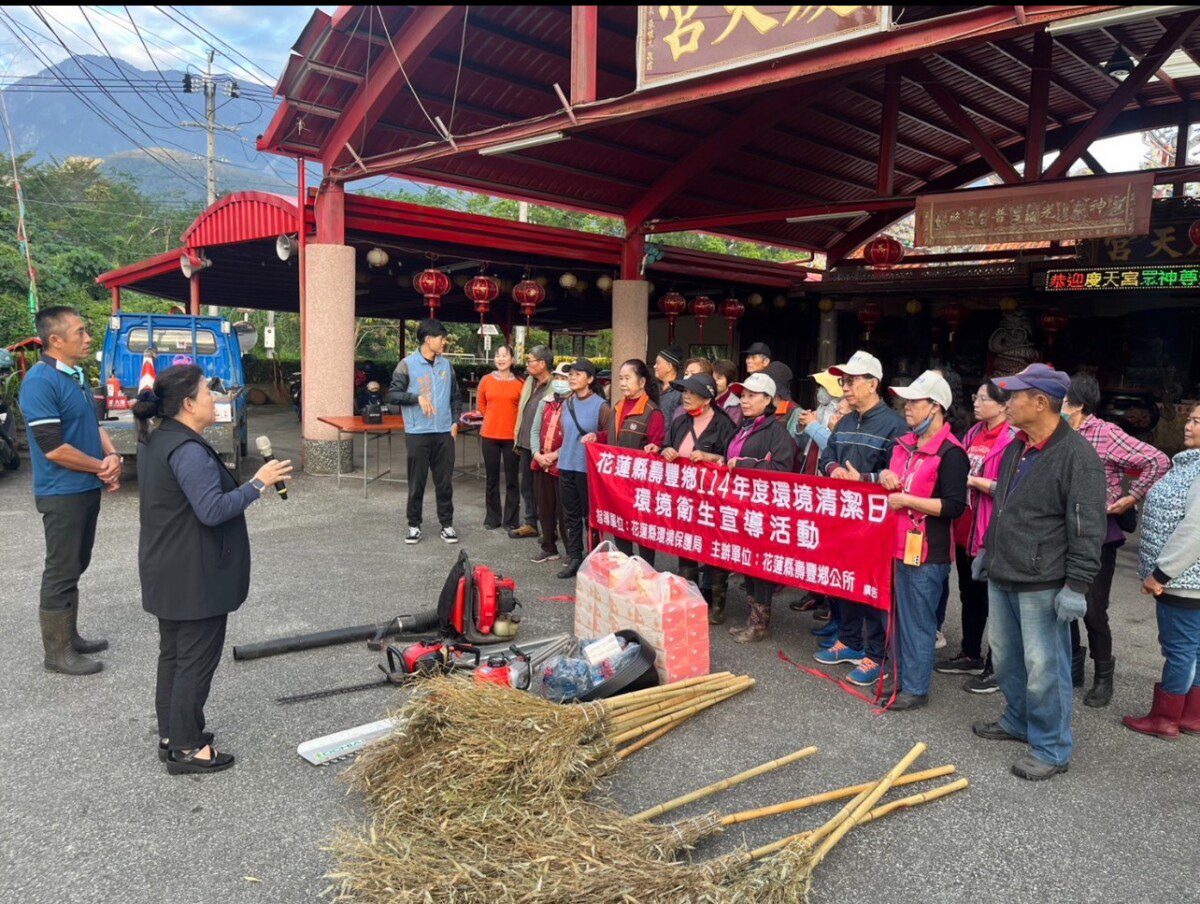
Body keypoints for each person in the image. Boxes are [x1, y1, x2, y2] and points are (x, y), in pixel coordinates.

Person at [133, 365, 292, 774]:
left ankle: (173, 734)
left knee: (174, 655)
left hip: (168, 568)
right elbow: (212, 510)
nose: (215, 398)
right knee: (193, 660)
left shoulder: (160, 438)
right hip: (193, 575)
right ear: (188, 404)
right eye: (207, 392)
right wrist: (258, 483)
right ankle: (187, 747)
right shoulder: (187, 449)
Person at [971, 363, 1105, 782]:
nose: (1006, 404)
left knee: (1045, 665)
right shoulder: (1018, 446)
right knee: (1007, 657)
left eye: (1013, 397)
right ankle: (1018, 719)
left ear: (1041, 402)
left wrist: (1077, 585)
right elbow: (1007, 506)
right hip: (1004, 572)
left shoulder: (1077, 457)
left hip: (1043, 581)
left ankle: (1051, 745)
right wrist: (988, 552)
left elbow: (1087, 527)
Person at [19, 306, 120, 676]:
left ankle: (70, 637)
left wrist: (110, 456)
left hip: (83, 487)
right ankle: (57, 653)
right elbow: (53, 448)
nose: (88, 337)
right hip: (61, 492)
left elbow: (91, 426)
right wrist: (100, 467)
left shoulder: (73, 375)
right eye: (80, 332)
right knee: (61, 570)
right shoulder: (40, 382)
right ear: (56, 340)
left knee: (76, 564)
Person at [1063, 373, 1170, 707]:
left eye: (1063, 401)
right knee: (1063, 606)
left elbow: (1157, 460)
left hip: (1098, 534)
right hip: (1063, 530)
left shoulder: (1105, 433)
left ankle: (1103, 677)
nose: (1058, 406)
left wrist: (1131, 497)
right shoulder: (1058, 432)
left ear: (1079, 404)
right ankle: (1073, 667)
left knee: (1094, 609)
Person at [813, 351, 906, 688]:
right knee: (844, 580)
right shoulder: (846, 421)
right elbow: (827, 458)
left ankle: (877, 655)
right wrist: (834, 469)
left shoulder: (895, 425)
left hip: (877, 525)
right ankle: (850, 641)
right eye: (844, 382)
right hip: (843, 519)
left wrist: (863, 479)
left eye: (851, 381)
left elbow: (897, 474)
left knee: (873, 586)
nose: (846, 388)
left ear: (873, 384)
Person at [878, 371, 969, 710]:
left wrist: (908, 501)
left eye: (914, 402)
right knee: (897, 617)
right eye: (907, 402)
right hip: (896, 543)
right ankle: (901, 679)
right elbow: (896, 481)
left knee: (918, 621)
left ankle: (915, 688)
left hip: (928, 551)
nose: (907, 408)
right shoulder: (905, 445)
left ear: (936, 407)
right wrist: (888, 476)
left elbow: (954, 505)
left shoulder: (951, 453)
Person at [1123, 403, 1200, 739]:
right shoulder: (1189, 464)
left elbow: (1195, 531)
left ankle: (1165, 718)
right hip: (1187, 579)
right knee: (1193, 649)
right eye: (1191, 418)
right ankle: (1191, 716)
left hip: (1184, 581)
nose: (1189, 425)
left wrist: (1162, 574)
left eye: (1198, 421)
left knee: (1180, 649)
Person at [936, 381, 1016, 695]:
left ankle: (998, 667)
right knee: (969, 595)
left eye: (983, 398)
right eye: (976, 397)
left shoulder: (1011, 438)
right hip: (965, 528)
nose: (977, 403)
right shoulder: (972, 434)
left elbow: (1013, 487)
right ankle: (970, 653)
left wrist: (975, 482)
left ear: (1003, 404)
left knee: (994, 602)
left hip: (990, 532)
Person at [658, 373, 737, 623]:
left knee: (715, 549)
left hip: (713, 500)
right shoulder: (680, 421)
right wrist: (665, 450)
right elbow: (665, 444)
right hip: (683, 497)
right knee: (685, 545)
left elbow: (731, 459)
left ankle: (717, 606)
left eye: (692, 392)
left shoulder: (724, 424)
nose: (686, 396)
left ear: (708, 397)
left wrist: (711, 458)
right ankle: (687, 598)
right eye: (684, 392)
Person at [724, 372, 796, 641]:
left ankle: (760, 624)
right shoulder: (742, 426)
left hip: (762, 511)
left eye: (752, 395)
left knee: (759, 567)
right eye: (742, 395)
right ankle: (751, 620)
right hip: (739, 506)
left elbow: (782, 469)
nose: (744, 400)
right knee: (747, 565)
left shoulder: (776, 431)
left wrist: (746, 464)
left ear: (768, 399)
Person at [387, 319, 462, 545]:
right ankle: (414, 525)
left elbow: (455, 397)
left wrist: (455, 421)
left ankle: (447, 525)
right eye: (441, 338)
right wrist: (416, 398)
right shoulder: (407, 364)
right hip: (417, 432)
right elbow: (392, 395)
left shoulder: (446, 366)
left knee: (444, 482)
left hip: (444, 433)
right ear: (429, 340)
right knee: (417, 481)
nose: (444, 342)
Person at [554, 358, 613, 579]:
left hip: (588, 470)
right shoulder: (567, 403)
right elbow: (564, 434)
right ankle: (574, 558)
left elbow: (610, 438)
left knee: (591, 518)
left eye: (578, 374)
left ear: (590, 379)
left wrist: (596, 437)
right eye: (570, 374)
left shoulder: (601, 406)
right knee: (571, 516)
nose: (571, 378)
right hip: (566, 465)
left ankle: (595, 560)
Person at [610, 359, 665, 566]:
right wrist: (595, 437)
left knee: (642, 528)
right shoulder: (618, 406)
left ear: (642, 382)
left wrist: (655, 448)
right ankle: (625, 567)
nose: (622, 383)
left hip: (640, 485)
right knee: (620, 524)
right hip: (617, 481)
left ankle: (645, 570)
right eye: (620, 378)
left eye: (627, 378)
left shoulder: (652, 411)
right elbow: (612, 435)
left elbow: (657, 444)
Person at [476, 345, 524, 532]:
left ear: (512, 359)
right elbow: (481, 403)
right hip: (489, 436)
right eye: (498, 355)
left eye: (505, 355)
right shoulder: (486, 380)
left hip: (511, 438)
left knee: (512, 479)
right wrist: (492, 417)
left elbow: (522, 409)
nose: (501, 358)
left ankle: (511, 519)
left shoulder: (520, 383)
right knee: (491, 478)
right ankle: (492, 518)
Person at [509, 345, 554, 540]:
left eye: (530, 361)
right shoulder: (529, 381)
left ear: (542, 364)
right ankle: (530, 523)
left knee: (545, 489)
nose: (527, 364)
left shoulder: (555, 384)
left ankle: (550, 527)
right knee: (526, 485)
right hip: (526, 442)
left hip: (544, 446)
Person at [530, 364, 572, 565]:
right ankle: (548, 547)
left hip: (562, 465)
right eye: (557, 377)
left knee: (565, 512)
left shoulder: (573, 404)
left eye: (564, 378)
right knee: (544, 508)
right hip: (542, 463)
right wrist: (537, 454)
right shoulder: (545, 402)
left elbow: (573, 438)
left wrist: (554, 455)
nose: (559, 382)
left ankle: (572, 553)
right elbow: (535, 430)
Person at [654, 346, 684, 423]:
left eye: (658, 363)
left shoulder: (681, 391)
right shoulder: (654, 388)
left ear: (669, 367)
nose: (654, 366)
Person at [712, 358, 742, 423]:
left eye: (719, 378)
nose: (714, 381)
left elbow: (731, 430)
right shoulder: (705, 396)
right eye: (712, 377)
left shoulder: (735, 405)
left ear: (730, 382)